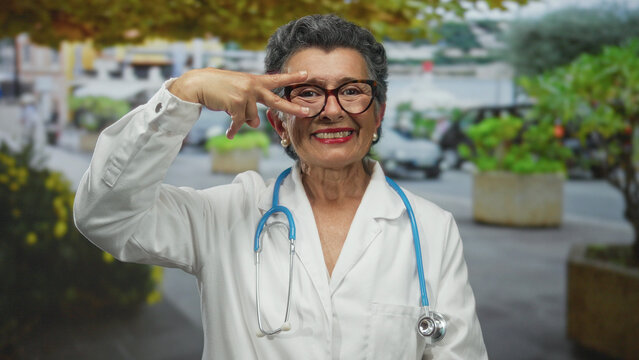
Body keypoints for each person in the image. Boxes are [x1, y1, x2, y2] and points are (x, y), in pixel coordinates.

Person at [73, 14, 487, 359]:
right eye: (308, 94)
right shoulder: (223, 216)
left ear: (377, 115)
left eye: (352, 91)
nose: (331, 111)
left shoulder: (430, 228)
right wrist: (183, 94)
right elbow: (104, 215)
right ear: (278, 122)